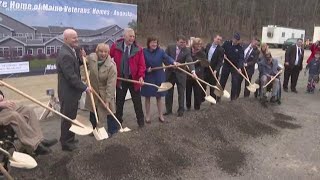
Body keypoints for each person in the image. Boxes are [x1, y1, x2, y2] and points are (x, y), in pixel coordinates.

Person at [56, 29, 91, 151]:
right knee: (68, 117)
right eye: (73, 38)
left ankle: (70, 138)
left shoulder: (72, 50)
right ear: (65, 39)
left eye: (77, 37)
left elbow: (77, 64)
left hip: (72, 92)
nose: (77, 39)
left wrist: (82, 58)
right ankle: (66, 143)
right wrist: (85, 87)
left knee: (72, 116)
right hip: (68, 92)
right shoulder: (65, 54)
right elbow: (71, 76)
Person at [0, 90, 57, 155]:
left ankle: (40, 140)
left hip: (3, 112)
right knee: (14, 115)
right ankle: (35, 146)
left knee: (27, 110)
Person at [110, 28, 146, 128]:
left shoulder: (138, 49)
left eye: (133, 36)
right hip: (120, 79)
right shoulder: (116, 46)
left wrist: (141, 77)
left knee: (137, 101)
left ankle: (141, 122)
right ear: (124, 36)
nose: (132, 38)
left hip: (133, 79)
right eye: (130, 36)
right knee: (119, 101)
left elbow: (141, 65)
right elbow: (108, 56)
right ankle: (118, 122)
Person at [84, 43, 118, 135]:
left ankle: (113, 130)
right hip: (93, 89)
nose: (103, 54)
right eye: (101, 51)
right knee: (93, 109)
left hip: (105, 90)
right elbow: (84, 63)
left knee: (109, 110)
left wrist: (107, 100)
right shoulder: (92, 58)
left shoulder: (111, 66)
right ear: (97, 51)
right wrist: (83, 57)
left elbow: (111, 85)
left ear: (108, 53)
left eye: (105, 52)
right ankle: (93, 128)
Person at [141, 37, 176, 123]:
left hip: (159, 76)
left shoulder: (160, 51)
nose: (154, 44)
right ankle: (148, 116)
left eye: (156, 43)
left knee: (159, 97)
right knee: (147, 97)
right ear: (148, 43)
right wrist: (146, 69)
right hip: (148, 77)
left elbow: (167, 58)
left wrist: (173, 62)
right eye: (152, 43)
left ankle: (160, 115)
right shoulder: (144, 52)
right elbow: (141, 64)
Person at [164, 35, 196, 117]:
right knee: (168, 92)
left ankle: (181, 110)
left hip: (180, 74)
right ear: (177, 41)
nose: (183, 44)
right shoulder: (170, 47)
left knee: (181, 92)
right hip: (170, 73)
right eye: (181, 42)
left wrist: (193, 72)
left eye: (184, 42)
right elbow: (164, 58)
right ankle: (168, 110)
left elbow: (189, 60)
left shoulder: (187, 50)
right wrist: (169, 65)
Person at [220, 33, 244, 100]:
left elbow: (241, 58)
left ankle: (233, 99)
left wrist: (239, 67)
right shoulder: (227, 43)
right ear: (232, 38)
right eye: (234, 39)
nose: (235, 40)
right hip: (226, 65)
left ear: (238, 40)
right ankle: (218, 97)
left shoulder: (240, 48)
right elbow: (221, 50)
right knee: (222, 81)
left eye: (237, 40)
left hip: (235, 66)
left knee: (235, 82)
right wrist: (223, 54)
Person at [186, 38, 206, 110]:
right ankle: (188, 106)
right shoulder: (188, 51)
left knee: (197, 92)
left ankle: (197, 107)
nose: (199, 46)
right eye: (198, 44)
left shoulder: (202, 54)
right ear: (194, 44)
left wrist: (195, 72)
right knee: (188, 91)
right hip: (188, 75)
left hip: (198, 75)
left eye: (200, 44)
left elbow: (202, 66)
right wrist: (191, 71)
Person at [204, 34, 224, 100]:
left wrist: (216, 70)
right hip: (206, 69)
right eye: (218, 39)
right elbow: (204, 55)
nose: (219, 41)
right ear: (214, 38)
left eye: (220, 40)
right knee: (203, 84)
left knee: (213, 87)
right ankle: (202, 99)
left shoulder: (221, 49)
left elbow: (220, 62)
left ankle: (213, 102)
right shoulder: (208, 45)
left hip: (214, 71)